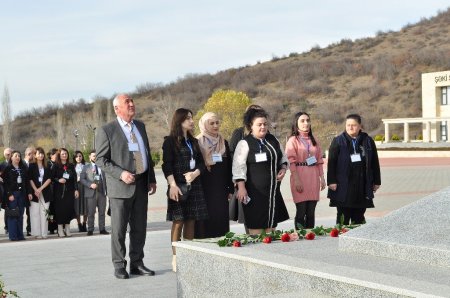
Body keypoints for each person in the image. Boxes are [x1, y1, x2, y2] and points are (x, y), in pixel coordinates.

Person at [96, 93, 157, 279]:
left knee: (139, 227)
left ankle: (137, 263)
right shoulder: (107, 130)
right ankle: (119, 265)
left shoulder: (140, 126)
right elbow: (100, 159)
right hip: (120, 188)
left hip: (141, 185)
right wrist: (121, 173)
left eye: (132, 101)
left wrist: (151, 178)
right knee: (119, 229)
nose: (131, 104)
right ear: (117, 109)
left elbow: (144, 154)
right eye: (127, 102)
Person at [162, 108, 208, 272]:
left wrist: (195, 173)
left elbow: (202, 164)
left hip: (194, 185)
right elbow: (166, 165)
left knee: (191, 220)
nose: (191, 121)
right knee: (178, 220)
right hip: (178, 186)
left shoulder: (194, 141)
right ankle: (175, 257)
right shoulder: (170, 141)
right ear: (179, 120)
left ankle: (187, 255)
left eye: (192, 117)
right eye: (188, 118)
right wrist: (172, 185)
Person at [232, 109, 289, 235]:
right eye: (259, 124)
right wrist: (241, 187)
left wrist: (283, 169)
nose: (263, 127)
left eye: (265, 124)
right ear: (251, 126)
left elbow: (283, 158)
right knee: (256, 227)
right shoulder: (245, 143)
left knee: (271, 227)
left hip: (272, 192)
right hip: (254, 192)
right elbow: (238, 167)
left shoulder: (273, 139)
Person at [327, 114, 381, 225]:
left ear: (360, 126)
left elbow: (375, 162)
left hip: (362, 185)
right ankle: (342, 235)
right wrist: (331, 181)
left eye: (354, 125)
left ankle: (357, 239)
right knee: (343, 215)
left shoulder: (368, 141)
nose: (350, 128)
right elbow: (331, 163)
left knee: (359, 215)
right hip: (343, 185)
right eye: (348, 125)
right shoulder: (338, 141)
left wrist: (377, 181)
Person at [194, 112, 233, 239]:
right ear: (204, 125)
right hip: (204, 188)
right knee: (205, 222)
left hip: (220, 188)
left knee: (220, 219)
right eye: (212, 123)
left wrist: (230, 188)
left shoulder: (224, 142)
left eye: (217, 123)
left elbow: (229, 166)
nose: (216, 126)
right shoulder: (197, 142)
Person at [285, 112, 325, 229]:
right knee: (301, 211)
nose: (306, 123)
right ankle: (301, 236)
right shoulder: (292, 140)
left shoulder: (315, 140)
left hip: (313, 177)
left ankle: (310, 236)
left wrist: (322, 178)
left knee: (311, 212)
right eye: (302, 121)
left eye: (308, 120)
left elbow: (319, 161)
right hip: (299, 176)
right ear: (296, 123)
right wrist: (296, 180)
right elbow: (291, 161)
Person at [228, 104, 264, 233]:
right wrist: (236, 179)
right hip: (245, 179)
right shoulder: (239, 133)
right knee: (247, 211)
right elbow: (232, 155)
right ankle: (251, 235)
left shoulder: (265, 134)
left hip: (261, 179)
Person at [1, 150, 32, 241]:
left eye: (19, 156)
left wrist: (29, 193)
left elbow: (27, 182)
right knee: (13, 215)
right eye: (15, 156)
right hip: (12, 195)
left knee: (21, 214)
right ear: (11, 158)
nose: (17, 157)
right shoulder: (8, 169)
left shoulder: (23, 168)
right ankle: (13, 236)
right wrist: (9, 194)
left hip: (22, 194)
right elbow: (5, 183)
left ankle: (20, 235)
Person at [52, 148, 79, 237]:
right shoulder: (55, 166)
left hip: (69, 191)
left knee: (68, 209)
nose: (64, 155)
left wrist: (76, 189)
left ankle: (67, 228)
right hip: (59, 192)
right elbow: (52, 178)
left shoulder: (71, 165)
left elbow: (74, 178)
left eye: (66, 154)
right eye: (63, 154)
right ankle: (60, 229)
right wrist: (58, 180)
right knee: (60, 210)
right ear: (59, 155)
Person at [80, 150, 108, 236]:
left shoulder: (103, 166)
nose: (95, 157)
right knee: (91, 212)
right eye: (93, 156)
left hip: (101, 192)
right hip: (91, 192)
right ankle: (90, 229)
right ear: (90, 157)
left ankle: (102, 229)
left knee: (102, 212)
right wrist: (90, 184)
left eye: (96, 155)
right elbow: (82, 179)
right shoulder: (86, 167)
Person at [28, 147, 53, 239]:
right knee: (35, 213)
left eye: (42, 153)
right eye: (39, 153)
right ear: (35, 155)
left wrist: (40, 189)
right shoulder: (31, 166)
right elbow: (30, 179)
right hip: (35, 192)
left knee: (44, 212)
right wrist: (36, 190)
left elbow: (49, 179)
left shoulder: (47, 165)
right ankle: (37, 233)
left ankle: (44, 233)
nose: (41, 155)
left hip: (45, 192)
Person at [23, 146, 36, 236]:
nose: (35, 156)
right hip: (21, 192)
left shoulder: (33, 165)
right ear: (29, 154)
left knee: (30, 211)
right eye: (34, 154)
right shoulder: (20, 163)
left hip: (31, 191)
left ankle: (30, 229)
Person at [73, 150, 87, 232]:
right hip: (77, 187)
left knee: (85, 206)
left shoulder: (86, 165)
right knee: (77, 206)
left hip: (85, 187)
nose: (78, 158)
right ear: (74, 158)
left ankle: (84, 223)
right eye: (77, 156)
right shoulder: (72, 166)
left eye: (80, 156)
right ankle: (79, 224)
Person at [1, 147, 12, 234]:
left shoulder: (15, 163)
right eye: (7, 154)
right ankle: (7, 227)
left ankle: (13, 226)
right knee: (7, 209)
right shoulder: (2, 165)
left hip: (14, 189)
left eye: (10, 154)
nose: (8, 155)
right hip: (4, 190)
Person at [47, 148, 58, 234]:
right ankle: (51, 226)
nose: (57, 156)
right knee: (50, 210)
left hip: (57, 189)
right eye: (56, 154)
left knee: (57, 209)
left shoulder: (59, 163)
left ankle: (58, 225)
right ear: (51, 155)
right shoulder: (47, 164)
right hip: (50, 189)